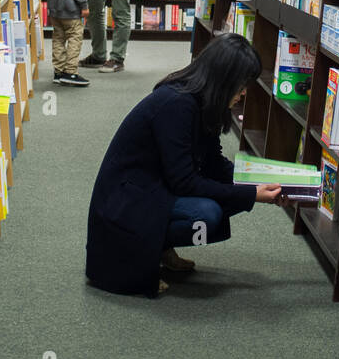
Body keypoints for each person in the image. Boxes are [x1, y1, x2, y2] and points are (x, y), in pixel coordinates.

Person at [85, 33, 284, 298]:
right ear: (223, 80)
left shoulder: (205, 101)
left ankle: (159, 246)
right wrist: (251, 195)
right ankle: (143, 253)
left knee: (227, 198)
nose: (244, 92)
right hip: (126, 202)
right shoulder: (176, 104)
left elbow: (213, 164)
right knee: (206, 213)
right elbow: (185, 181)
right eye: (241, 85)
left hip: (154, 188)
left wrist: (257, 181)